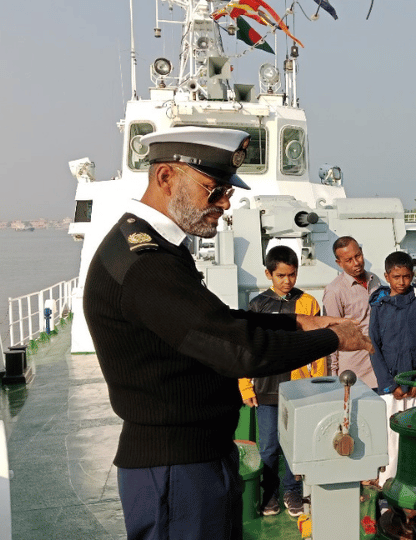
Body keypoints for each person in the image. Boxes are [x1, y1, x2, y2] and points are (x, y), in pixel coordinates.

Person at [82, 126, 372, 540]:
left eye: (227, 192)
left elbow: (216, 319)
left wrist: (302, 321)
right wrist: (332, 338)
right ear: (166, 177)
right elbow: (238, 351)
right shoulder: (147, 265)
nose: (225, 202)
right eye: (213, 189)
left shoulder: (153, 247)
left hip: (189, 456)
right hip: (176, 467)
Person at [238, 245, 326, 518]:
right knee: (268, 447)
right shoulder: (257, 305)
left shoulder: (309, 303)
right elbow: (246, 350)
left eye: (292, 275)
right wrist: (244, 385)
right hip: (265, 387)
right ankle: (269, 493)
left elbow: (318, 346)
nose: (287, 281)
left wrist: (318, 384)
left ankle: (292, 491)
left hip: (298, 389)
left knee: (293, 444)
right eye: (281, 275)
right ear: (268, 274)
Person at [368, 252, 416, 487]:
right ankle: (388, 482)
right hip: (391, 388)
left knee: (415, 433)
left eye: (406, 276)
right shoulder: (379, 308)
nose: (402, 282)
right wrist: (390, 385)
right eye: (396, 277)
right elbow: (374, 347)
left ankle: (414, 481)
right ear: (387, 276)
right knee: (391, 435)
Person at [323, 236, 382, 389]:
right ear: (339, 263)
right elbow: (332, 336)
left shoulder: (375, 281)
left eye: (358, 256)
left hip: (380, 369)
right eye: (349, 260)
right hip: (354, 374)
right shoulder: (334, 291)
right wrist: (333, 377)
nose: (356, 263)